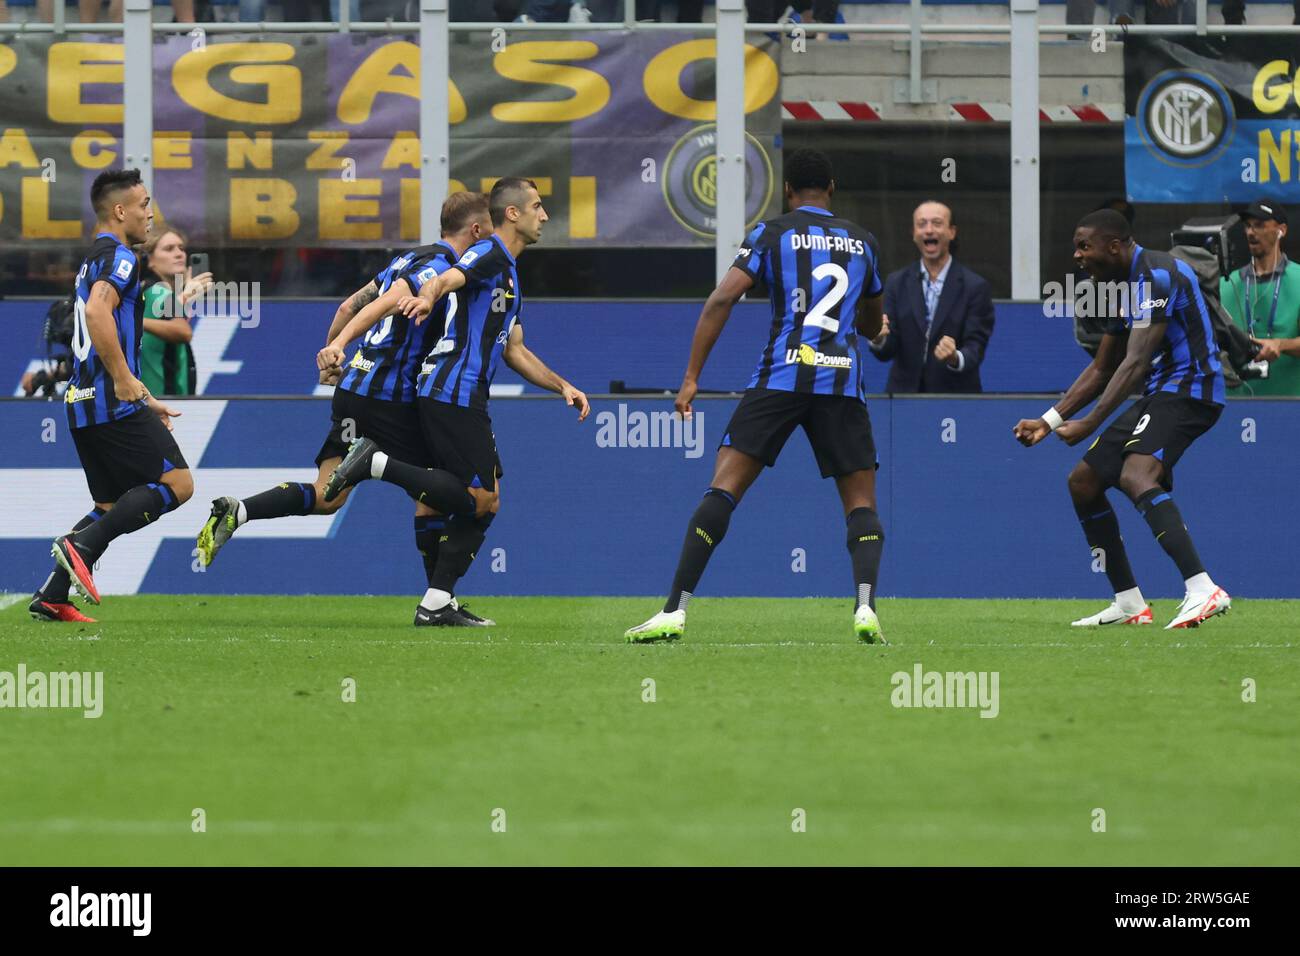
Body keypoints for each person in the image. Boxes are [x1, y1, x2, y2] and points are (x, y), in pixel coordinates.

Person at [623, 148, 888, 644]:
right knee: (860, 504)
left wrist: (691, 378)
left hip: (781, 379)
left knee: (723, 489)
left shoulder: (771, 233)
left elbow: (723, 298)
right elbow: (873, 325)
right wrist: (875, 324)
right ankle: (866, 606)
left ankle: (674, 611)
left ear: (788, 191)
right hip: (841, 385)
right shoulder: (864, 241)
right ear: (831, 189)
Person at [197, 192, 499, 625]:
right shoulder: (438, 267)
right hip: (390, 398)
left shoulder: (406, 258)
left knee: (327, 497)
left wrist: (332, 353)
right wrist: (338, 345)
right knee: (456, 491)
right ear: (476, 230)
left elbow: (348, 304)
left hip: (354, 388)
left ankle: (239, 510)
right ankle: (438, 604)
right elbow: (386, 303)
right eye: (489, 231)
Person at [320, 178, 590, 626]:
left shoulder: (508, 273)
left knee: (482, 498)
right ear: (512, 214)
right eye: (538, 207)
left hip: (461, 394)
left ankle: (437, 601)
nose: (544, 216)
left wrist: (562, 385)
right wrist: (427, 298)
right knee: (480, 498)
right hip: (452, 392)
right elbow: (446, 279)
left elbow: (515, 348)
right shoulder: (489, 254)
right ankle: (375, 467)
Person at [1014, 209, 1229, 630]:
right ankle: (1129, 602)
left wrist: (1090, 424)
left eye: (1084, 246)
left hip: (1191, 390)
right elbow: (1103, 367)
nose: (1077, 255)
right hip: (1161, 393)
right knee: (1084, 482)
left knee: (1136, 474)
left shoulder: (1158, 275)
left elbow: (1134, 363)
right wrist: (1050, 420)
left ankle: (1203, 588)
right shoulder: (1117, 286)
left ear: (1115, 245)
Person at [30, 168, 194, 623]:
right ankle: (81, 546)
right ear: (120, 210)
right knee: (178, 484)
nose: (150, 213)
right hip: (109, 398)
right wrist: (124, 381)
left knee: (108, 505)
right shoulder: (121, 259)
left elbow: (96, 317)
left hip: (82, 400)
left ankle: (52, 595)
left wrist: (141, 393)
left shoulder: (93, 259)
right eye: (144, 204)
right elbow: (97, 311)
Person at [867, 201, 995, 393]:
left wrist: (955, 356)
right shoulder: (896, 282)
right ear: (913, 233)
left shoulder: (975, 287)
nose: (928, 230)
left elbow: (975, 347)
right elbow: (888, 349)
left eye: (936, 223)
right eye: (922, 224)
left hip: (955, 398)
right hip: (904, 398)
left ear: (952, 232)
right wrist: (878, 339)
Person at [1220, 199, 1300, 396]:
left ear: (1281, 230)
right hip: (1236, 404)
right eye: (1247, 226)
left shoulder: (1298, 279)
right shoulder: (1225, 284)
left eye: (1259, 225)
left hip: (1288, 404)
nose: (1250, 232)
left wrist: (1281, 344)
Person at [139, 227, 211, 397]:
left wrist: (183, 293)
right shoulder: (158, 291)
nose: (179, 254)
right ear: (150, 260)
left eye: (181, 248)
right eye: (169, 249)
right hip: (162, 399)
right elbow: (183, 332)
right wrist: (185, 296)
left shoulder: (150, 290)